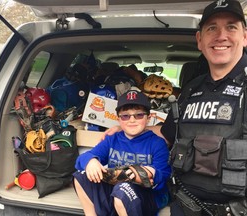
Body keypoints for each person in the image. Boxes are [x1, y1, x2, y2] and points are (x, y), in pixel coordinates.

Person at [104, 0, 247, 215]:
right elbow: (165, 133)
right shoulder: (190, 91)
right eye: (211, 28)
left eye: (231, 27)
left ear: (245, 36)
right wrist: (124, 129)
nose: (221, 36)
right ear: (200, 40)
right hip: (183, 207)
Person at [73, 90, 171, 216]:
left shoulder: (157, 143)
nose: (132, 120)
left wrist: (149, 172)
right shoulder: (112, 139)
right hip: (117, 190)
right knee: (81, 175)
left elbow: (164, 173)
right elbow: (83, 159)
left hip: (148, 195)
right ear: (118, 119)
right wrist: (91, 161)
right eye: (125, 116)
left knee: (123, 190)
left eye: (139, 115)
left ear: (149, 118)